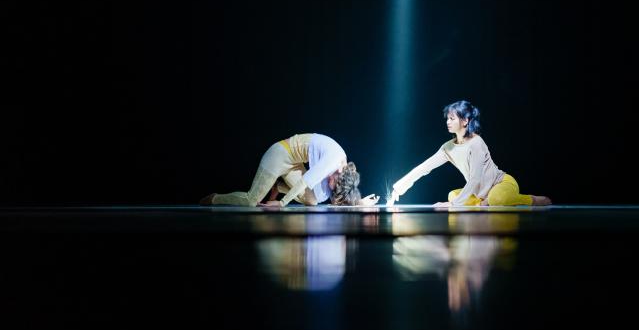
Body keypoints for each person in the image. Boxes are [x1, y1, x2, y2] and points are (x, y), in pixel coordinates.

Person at [388, 101, 551, 207]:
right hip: (478, 193)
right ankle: (481, 203)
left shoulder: (476, 143)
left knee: (497, 200)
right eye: (447, 118)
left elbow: (475, 178)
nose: (447, 121)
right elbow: (424, 167)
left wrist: (454, 205)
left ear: (465, 121)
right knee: (453, 194)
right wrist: (399, 188)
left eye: (452, 118)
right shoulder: (448, 147)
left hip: (501, 184)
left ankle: (532, 200)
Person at [200, 133, 379, 207]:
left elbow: (334, 198)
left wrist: (359, 203)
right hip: (279, 155)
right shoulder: (333, 161)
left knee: (313, 200)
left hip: (294, 166)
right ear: (339, 174)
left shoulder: (342, 167)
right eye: (333, 183)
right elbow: (305, 181)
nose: (329, 186)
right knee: (251, 200)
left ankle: (279, 187)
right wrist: (282, 203)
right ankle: (214, 198)